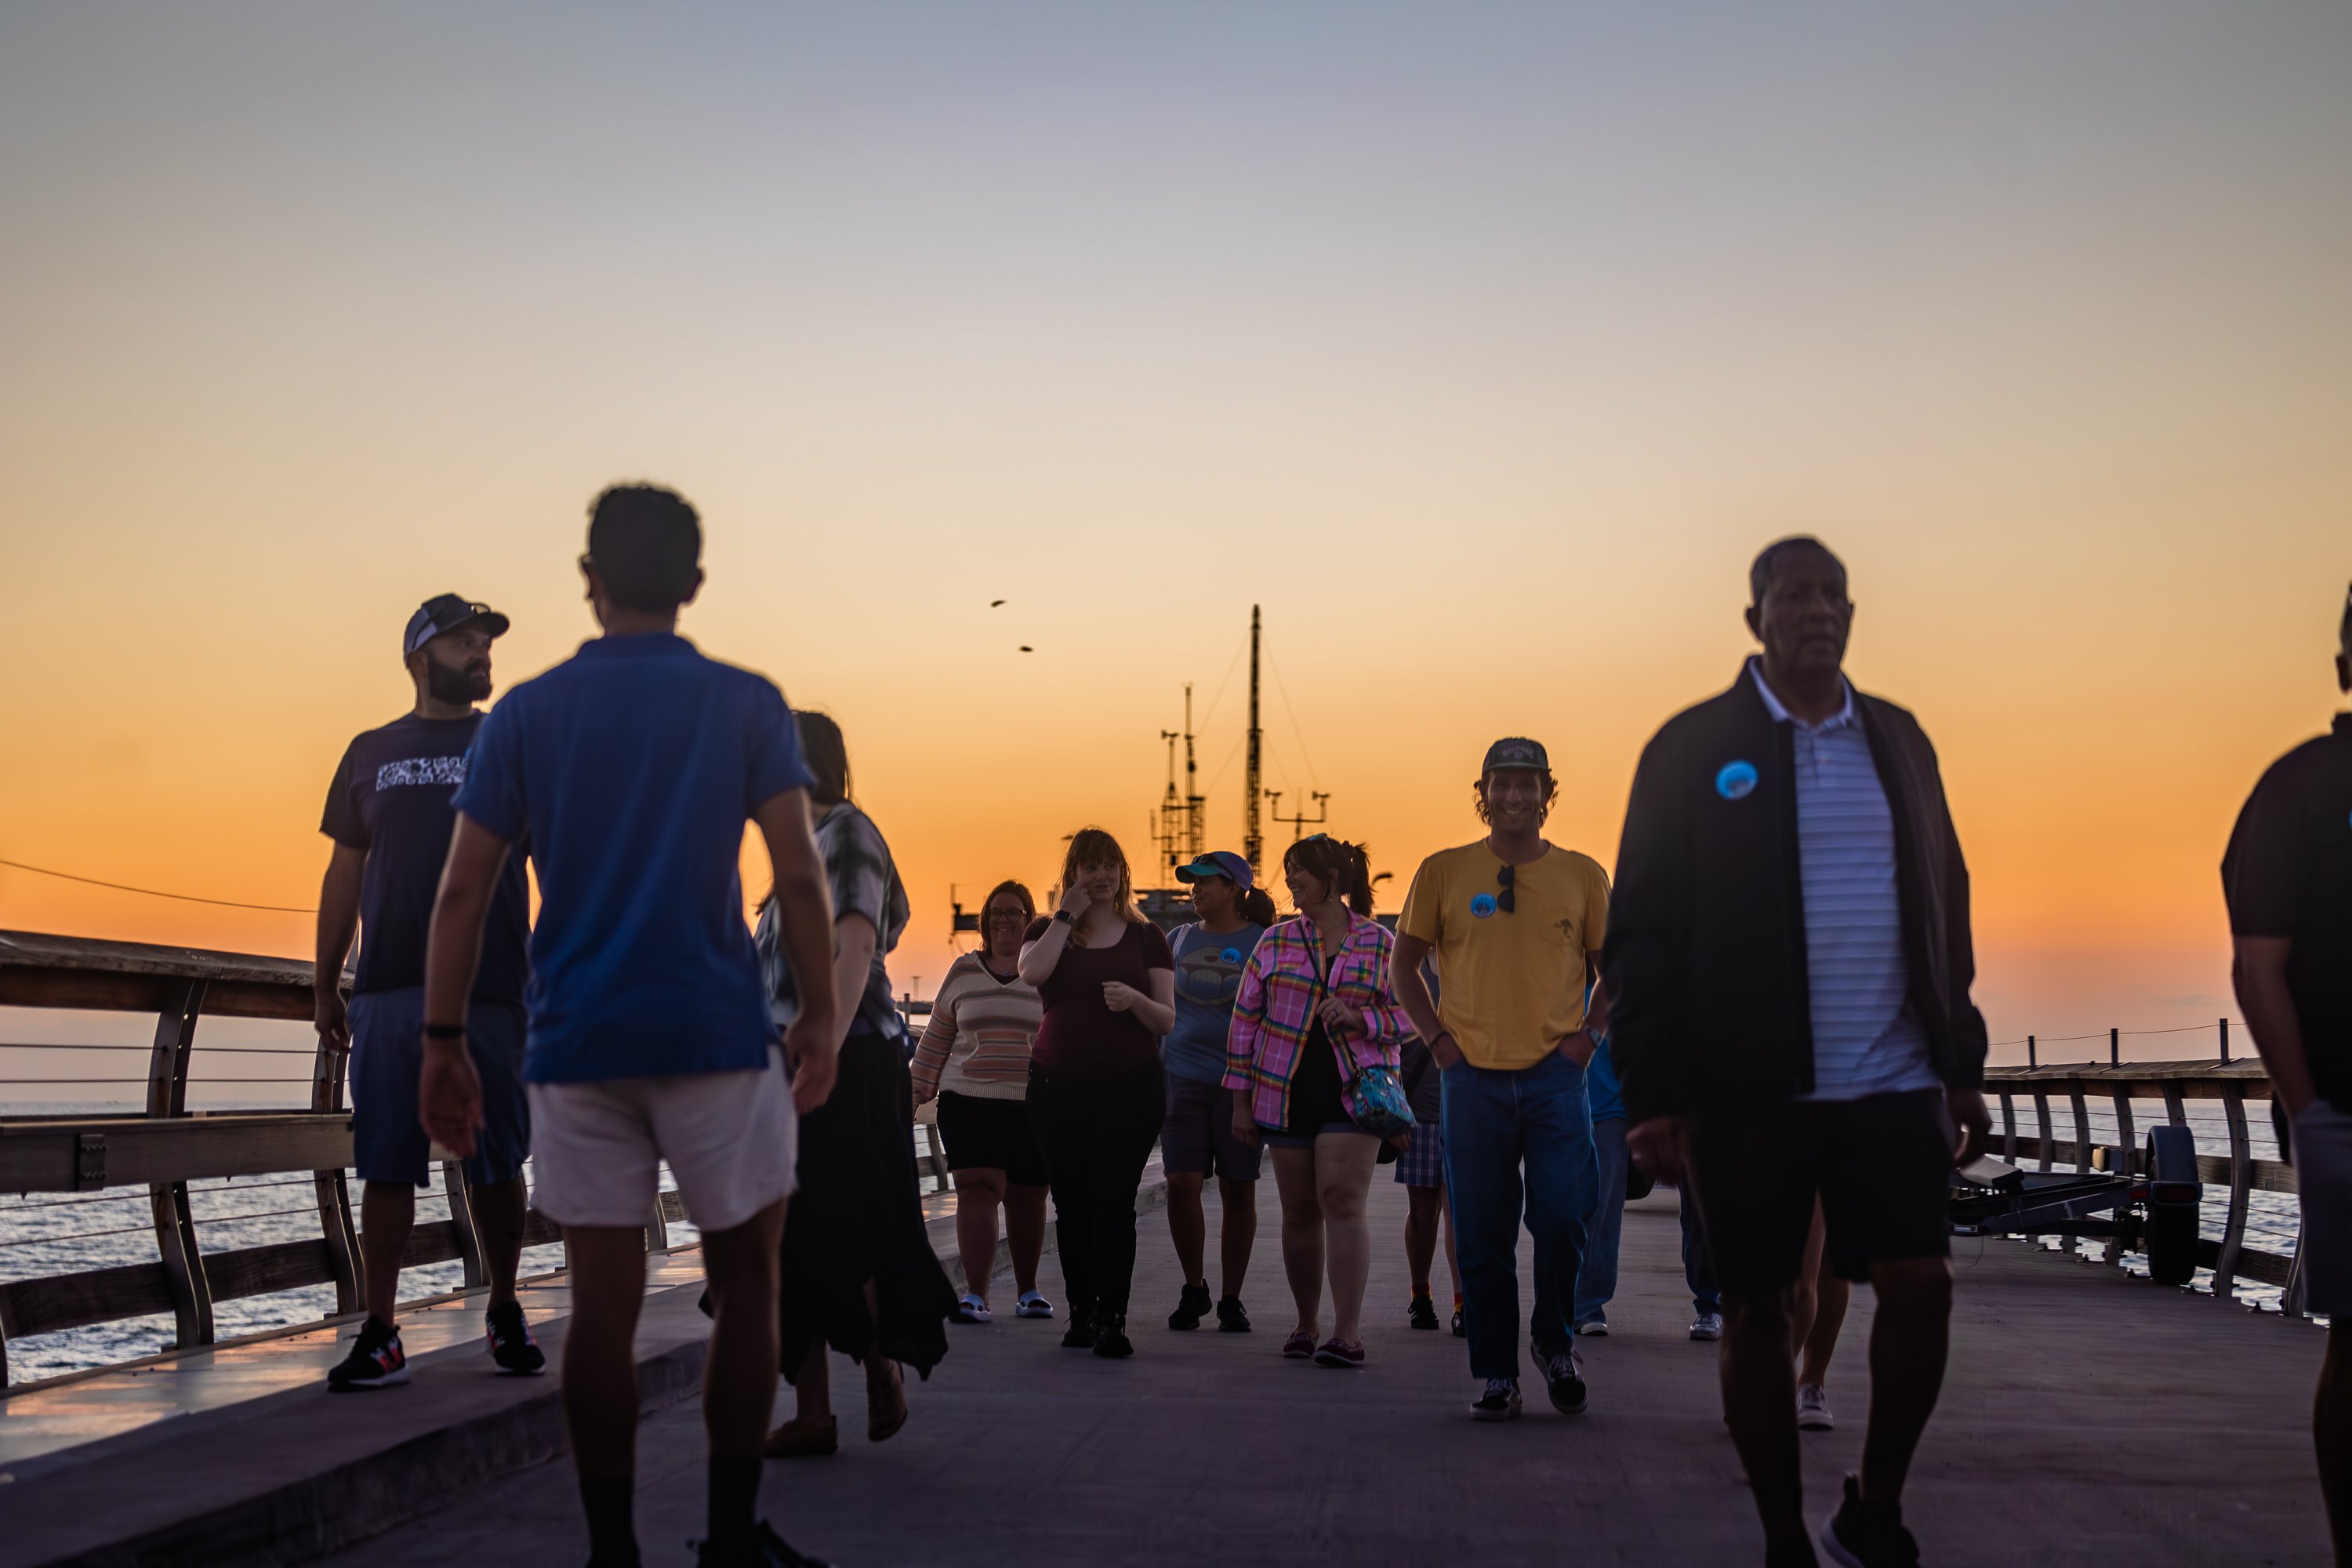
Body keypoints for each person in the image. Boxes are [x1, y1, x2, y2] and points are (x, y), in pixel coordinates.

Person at [421, 483, 842, 1568]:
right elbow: (799, 876)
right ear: (694, 585)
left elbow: (463, 894)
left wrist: (441, 1042)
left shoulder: (525, 716)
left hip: (576, 1044)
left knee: (601, 1305)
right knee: (749, 1281)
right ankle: (733, 1535)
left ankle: (614, 1553)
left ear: (588, 579)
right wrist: (822, 1024)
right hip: (712, 1032)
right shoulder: (748, 705)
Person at [1608, 536, 1992, 1568]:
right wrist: (1653, 1094)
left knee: (1922, 1284)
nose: (1816, 611)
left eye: (1833, 595)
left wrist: (1960, 1062)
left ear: (1853, 615)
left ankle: (1876, 1504)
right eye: (1794, 596)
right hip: (1747, 1090)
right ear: (1756, 620)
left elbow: (1944, 900)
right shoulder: (1691, 749)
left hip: (1893, 1079)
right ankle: (1783, 1536)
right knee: (1758, 1307)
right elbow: (1640, 932)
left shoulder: (1899, 740)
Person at [315, 593, 543, 1390]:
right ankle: (381, 1329)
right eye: (463, 642)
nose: (481, 653)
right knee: (385, 1159)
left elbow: (554, 857)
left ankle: (506, 1304)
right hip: (385, 987)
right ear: (418, 656)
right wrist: (325, 984)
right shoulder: (369, 750)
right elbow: (346, 871)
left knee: (496, 1153)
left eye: (486, 642)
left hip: (493, 988)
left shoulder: (510, 743)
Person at [1392, 739, 1611, 1424]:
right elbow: (1405, 967)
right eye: (1502, 784)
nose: (1515, 796)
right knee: (1483, 1233)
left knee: (1565, 1216)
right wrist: (1439, 1042)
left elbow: (1617, 969)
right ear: (1481, 792)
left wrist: (1587, 1040)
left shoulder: (1582, 875)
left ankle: (1555, 1344)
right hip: (1472, 1079)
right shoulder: (1444, 872)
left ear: (1549, 792)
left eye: (1527, 783)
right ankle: (1495, 1373)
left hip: (1555, 1077)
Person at [757, 713, 953, 1459]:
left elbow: (860, 945)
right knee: (791, 1238)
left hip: (845, 1058)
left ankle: (879, 1365)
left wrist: (821, 1053)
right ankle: (812, 1413)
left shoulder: (845, 831)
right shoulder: (794, 854)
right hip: (795, 1062)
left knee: (850, 1226)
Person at [2222, 580, 2352, 1561]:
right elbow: (2259, 964)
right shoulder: (2302, 788)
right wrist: (2308, 1110)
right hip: (2344, 1106)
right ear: (2345, 666)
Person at [1225, 836, 1410, 1368]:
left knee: (1341, 1199)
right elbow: (1244, 1022)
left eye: (1299, 871)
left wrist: (1362, 1019)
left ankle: (1347, 1333)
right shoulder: (1276, 942)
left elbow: (1411, 1016)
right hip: (1283, 1092)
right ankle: (1306, 1323)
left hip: (1355, 1092)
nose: (1291, 882)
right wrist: (1240, 1101)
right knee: (1300, 1210)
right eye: (1288, 873)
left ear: (1333, 876)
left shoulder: (1380, 942)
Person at [1018, 828, 1176, 1359]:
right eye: (1090, 867)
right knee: (1071, 1202)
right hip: (1055, 1089)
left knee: (1114, 1204)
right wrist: (1065, 917)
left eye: (1110, 865)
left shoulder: (1146, 935)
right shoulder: (1048, 929)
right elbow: (1030, 973)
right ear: (1073, 875)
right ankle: (1081, 1312)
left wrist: (1133, 999)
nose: (1101, 876)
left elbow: (1167, 1019)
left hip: (1130, 1088)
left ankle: (1114, 1317)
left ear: (1123, 873)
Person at [911, 879, 1054, 1326]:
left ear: (1030, 921)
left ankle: (1028, 1290)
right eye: (997, 912)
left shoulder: (1047, 972)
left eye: (1015, 912)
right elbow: (936, 1038)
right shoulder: (963, 972)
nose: (1005, 920)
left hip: (1032, 1102)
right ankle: (975, 1296)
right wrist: (916, 1090)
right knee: (978, 1188)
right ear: (985, 922)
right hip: (968, 1099)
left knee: (1028, 1198)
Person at [1160, 850, 1276, 1333]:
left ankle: (1232, 1297)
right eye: (1192, 881)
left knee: (1237, 1189)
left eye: (1206, 881)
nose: (1196, 888)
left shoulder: (1263, 942)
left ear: (1234, 888)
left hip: (1239, 1084)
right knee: (1181, 1185)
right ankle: (1195, 1288)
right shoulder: (1177, 939)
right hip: (1181, 1079)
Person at [1394, 971, 1461, 1335]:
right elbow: (1390, 1047)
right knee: (1422, 1211)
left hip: (1466, 1114)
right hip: (1418, 1115)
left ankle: (1463, 1302)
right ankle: (1421, 1295)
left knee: (1460, 1212)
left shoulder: (1472, 965)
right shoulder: (1409, 972)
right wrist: (1394, 1116)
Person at [1570, 1030, 1627, 1338]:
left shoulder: (1620, 983)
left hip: (1610, 1108)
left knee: (1604, 1209)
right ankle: (1566, 1300)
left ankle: (1590, 1304)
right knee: (1563, 1208)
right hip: (1561, 1099)